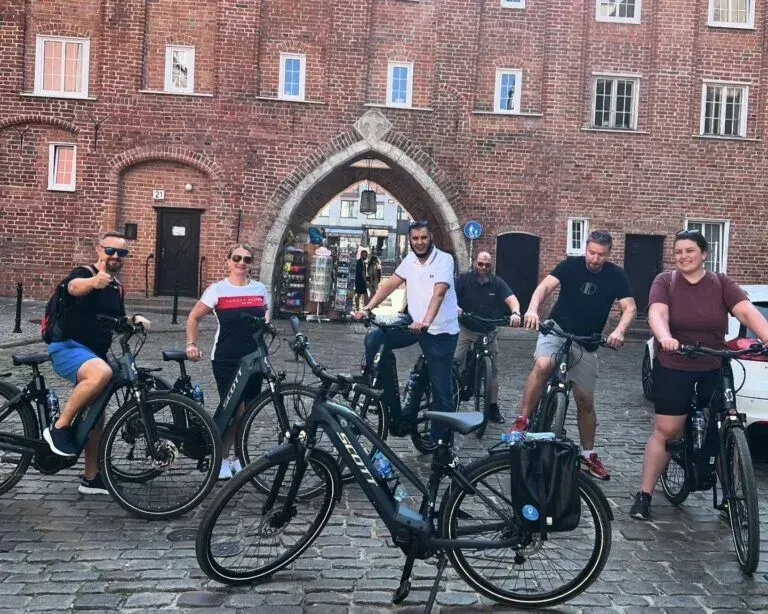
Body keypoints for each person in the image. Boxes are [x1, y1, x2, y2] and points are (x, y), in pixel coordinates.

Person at [630, 230, 768, 520]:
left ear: (703, 254)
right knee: (667, 431)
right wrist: (665, 337)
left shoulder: (720, 283)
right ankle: (644, 495)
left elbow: (745, 311)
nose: (683, 257)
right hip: (675, 362)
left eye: (690, 251)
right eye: (679, 252)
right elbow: (657, 313)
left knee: (726, 425)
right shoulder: (665, 281)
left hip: (713, 362)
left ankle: (731, 497)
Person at [510, 230, 636, 480]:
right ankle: (522, 421)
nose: (595, 258)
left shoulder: (615, 275)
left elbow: (629, 307)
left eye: (601, 254)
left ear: (608, 253)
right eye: (591, 252)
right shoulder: (570, 265)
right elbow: (544, 287)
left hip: (587, 341)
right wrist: (533, 310)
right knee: (544, 364)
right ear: (585, 248)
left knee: (585, 400)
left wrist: (619, 331)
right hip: (557, 329)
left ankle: (588, 454)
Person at [45, 231, 151, 494]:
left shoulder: (116, 287)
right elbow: (73, 288)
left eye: (121, 253)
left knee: (97, 415)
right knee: (102, 373)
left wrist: (134, 319)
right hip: (68, 347)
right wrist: (93, 282)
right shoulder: (83, 273)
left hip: (94, 354)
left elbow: (118, 318)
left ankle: (92, 478)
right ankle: (60, 427)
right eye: (110, 250)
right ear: (98, 249)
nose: (115, 256)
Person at [354, 221, 459, 440]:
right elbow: (389, 284)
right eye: (415, 239)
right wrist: (367, 308)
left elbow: (438, 293)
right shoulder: (410, 260)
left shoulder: (444, 260)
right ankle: (391, 404)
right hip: (414, 321)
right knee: (375, 339)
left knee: (442, 393)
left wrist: (427, 322)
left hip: (440, 331)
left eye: (423, 238)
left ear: (431, 238)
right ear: (410, 240)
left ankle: (441, 446)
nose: (419, 242)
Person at [185, 244, 271, 480]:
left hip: (255, 357)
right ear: (228, 261)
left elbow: (265, 315)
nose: (241, 263)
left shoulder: (260, 289)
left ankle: (239, 457)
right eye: (236, 258)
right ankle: (220, 458)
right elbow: (193, 317)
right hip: (227, 357)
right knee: (234, 409)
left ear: (251, 264)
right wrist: (191, 344)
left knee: (249, 410)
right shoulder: (217, 290)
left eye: (247, 259)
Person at [454, 251, 521, 423]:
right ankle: (451, 396)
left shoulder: (497, 282)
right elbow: (449, 296)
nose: (483, 268)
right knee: (455, 361)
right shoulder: (464, 280)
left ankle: (492, 407)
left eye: (487, 265)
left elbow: (511, 298)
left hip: (489, 330)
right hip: (467, 328)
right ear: (475, 263)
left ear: (491, 266)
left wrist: (515, 312)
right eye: (480, 264)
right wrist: (455, 307)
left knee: (493, 372)